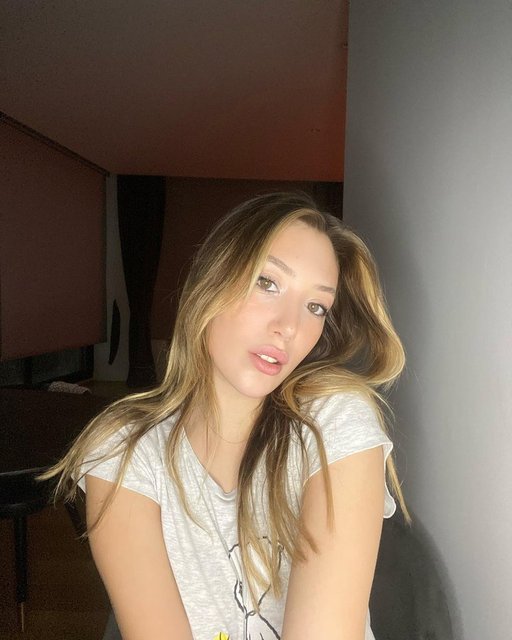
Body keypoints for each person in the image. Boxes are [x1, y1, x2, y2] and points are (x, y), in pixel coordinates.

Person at [43, 192, 409, 640]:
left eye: (316, 307)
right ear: (213, 279)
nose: (289, 327)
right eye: (267, 282)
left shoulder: (335, 421)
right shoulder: (123, 451)